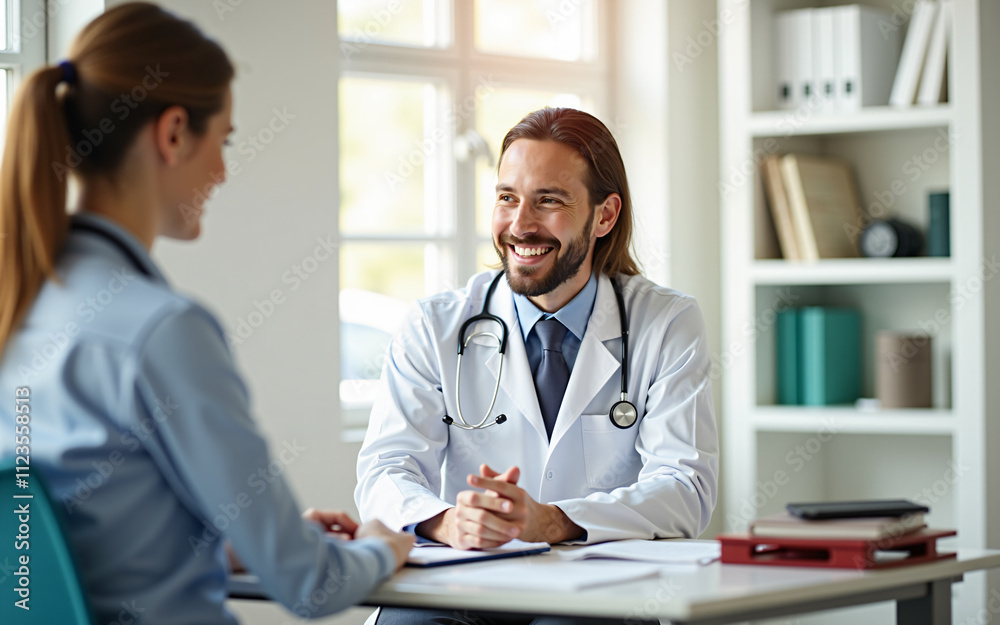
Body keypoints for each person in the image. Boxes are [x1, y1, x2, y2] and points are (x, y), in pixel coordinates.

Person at [0, 4, 412, 624]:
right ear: (171, 134)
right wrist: (385, 545)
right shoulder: (161, 331)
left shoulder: (21, 308)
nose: (221, 172)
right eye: (222, 141)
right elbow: (311, 585)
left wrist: (241, 543)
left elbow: (68, 556)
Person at [355, 107, 718, 624]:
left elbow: (686, 488)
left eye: (548, 200)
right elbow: (384, 470)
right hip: (464, 577)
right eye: (507, 198)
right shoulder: (435, 325)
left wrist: (553, 521)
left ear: (604, 216)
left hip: (596, 585)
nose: (520, 225)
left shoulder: (665, 322)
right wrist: (446, 521)